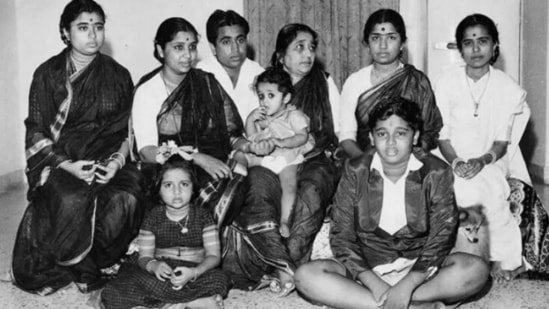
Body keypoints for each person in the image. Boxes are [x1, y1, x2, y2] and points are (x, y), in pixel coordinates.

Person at [295, 97, 489, 309]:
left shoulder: (436, 171)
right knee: (305, 276)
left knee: (476, 270)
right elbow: (341, 235)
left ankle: (386, 302)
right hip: (366, 269)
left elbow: (442, 235)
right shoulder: (355, 170)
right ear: (371, 137)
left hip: (419, 270)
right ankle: (410, 306)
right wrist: (374, 283)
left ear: (414, 136)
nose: (390, 142)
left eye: (400, 133)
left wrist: (408, 284)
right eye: (381, 134)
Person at [11, 0, 144, 295]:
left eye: (98, 27)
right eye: (83, 28)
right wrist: (66, 165)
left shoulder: (119, 75)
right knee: (72, 197)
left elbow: (127, 130)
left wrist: (117, 163)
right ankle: (82, 270)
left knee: (128, 194)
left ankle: (101, 259)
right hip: (62, 160)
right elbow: (36, 128)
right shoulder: (47, 74)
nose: (93, 35)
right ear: (66, 32)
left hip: (108, 158)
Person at [222, 23, 340, 296]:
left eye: (312, 47)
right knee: (258, 184)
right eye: (299, 47)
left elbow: (337, 132)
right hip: (267, 156)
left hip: (314, 156)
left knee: (309, 189)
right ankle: (268, 259)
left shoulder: (325, 81)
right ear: (281, 55)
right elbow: (244, 130)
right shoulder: (263, 84)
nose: (308, 54)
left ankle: (290, 265)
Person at [433, 14, 531, 281]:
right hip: (448, 155)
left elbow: (501, 142)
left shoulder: (507, 88)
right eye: (468, 42)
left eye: (483, 41)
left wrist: (481, 161)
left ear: (495, 45)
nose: (475, 49)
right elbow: (442, 136)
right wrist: (456, 162)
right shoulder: (446, 80)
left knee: (488, 188)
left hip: (490, 158)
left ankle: (501, 257)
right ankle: (454, 257)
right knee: (452, 186)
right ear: (460, 48)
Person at [130, 17, 249, 224]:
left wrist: (248, 146)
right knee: (212, 193)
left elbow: (230, 132)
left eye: (192, 47)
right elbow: (146, 151)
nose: (187, 55)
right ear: (160, 50)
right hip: (167, 169)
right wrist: (196, 157)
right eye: (178, 47)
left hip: (211, 161)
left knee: (243, 184)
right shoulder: (148, 91)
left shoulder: (207, 83)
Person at [101, 158, 228, 309]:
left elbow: (214, 256)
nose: (177, 191)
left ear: (193, 188)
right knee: (115, 290)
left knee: (219, 279)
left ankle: (161, 304)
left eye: (184, 184)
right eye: (168, 185)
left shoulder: (204, 216)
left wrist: (194, 272)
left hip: (195, 270)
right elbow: (144, 256)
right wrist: (154, 266)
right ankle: (189, 303)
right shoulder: (153, 217)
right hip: (160, 271)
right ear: (159, 190)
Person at [339, 8, 442, 159]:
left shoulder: (417, 81)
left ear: (402, 43)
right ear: (367, 43)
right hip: (364, 159)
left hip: (410, 160)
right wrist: (366, 163)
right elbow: (347, 135)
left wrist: (407, 162)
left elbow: (429, 131)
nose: (382, 45)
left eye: (391, 38)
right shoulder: (355, 82)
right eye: (375, 38)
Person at [236, 68, 315, 238]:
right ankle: (239, 169)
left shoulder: (293, 115)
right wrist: (250, 119)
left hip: (287, 157)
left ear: (286, 98)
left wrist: (282, 142)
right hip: (266, 155)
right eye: (261, 96)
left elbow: (302, 137)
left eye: (270, 96)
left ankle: (285, 220)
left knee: (289, 186)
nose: (264, 101)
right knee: (242, 152)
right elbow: (252, 137)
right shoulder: (264, 118)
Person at [196, 9, 264, 120]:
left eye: (240, 40)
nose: (235, 48)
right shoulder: (201, 73)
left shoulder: (257, 71)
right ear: (213, 47)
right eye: (226, 42)